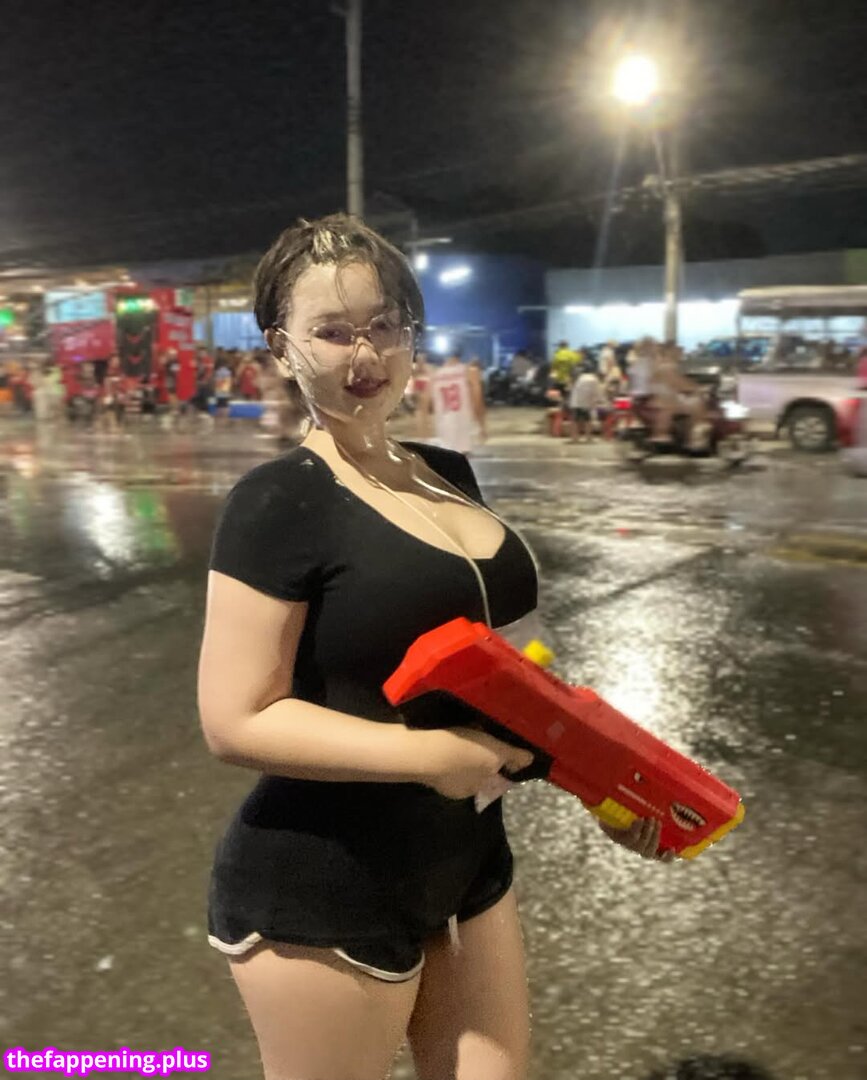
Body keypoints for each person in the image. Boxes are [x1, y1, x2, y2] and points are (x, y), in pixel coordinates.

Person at [197, 213, 671, 1080]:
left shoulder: (447, 471)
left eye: (384, 324)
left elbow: (510, 680)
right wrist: (429, 756)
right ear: (281, 348)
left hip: (467, 858)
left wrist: (605, 786)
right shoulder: (276, 501)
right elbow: (235, 719)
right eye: (331, 331)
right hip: (322, 880)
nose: (364, 352)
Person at [422, 349, 487, 454]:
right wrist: (481, 426)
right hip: (464, 429)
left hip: (444, 430)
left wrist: (424, 433)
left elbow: (423, 407)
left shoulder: (434, 376)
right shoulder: (468, 372)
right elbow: (477, 401)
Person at [650, 342, 710, 449]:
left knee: (693, 402)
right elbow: (679, 383)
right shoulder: (667, 366)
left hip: (666, 399)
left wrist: (693, 387)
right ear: (670, 352)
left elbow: (679, 382)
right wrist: (698, 388)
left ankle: (691, 437)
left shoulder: (663, 365)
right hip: (666, 401)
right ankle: (693, 439)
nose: (681, 355)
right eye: (678, 352)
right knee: (696, 404)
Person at [568, 367, 604, 442]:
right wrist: (599, 400)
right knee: (588, 419)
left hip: (576, 401)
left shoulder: (580, 377)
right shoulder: (594, 379)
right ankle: (589, 437)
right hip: (586, 402)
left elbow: (575, 389)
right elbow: (597, 391)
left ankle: (574, 438)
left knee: (575, 420)